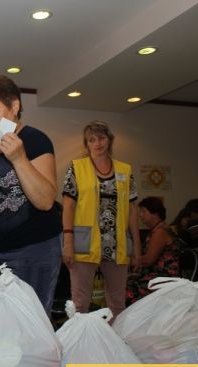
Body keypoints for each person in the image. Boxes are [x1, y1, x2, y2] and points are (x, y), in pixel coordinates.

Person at [0, 74, 62, 314]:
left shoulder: (35, 140)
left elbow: (46, 200)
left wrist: (19, 159)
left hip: (33, 250)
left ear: (14, 106)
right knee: (1, 324)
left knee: (30, 324)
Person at [62, 120, 141, 319]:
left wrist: (137, 246)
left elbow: (132, 210)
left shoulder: (125, 170)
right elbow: (68, 206)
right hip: (84, 243)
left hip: (117, 244)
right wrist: (68, 242)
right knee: (79, 303)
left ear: (109, 140)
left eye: (101, 138)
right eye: (92, 140)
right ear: (86, 144)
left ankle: (115, 337)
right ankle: (79, 338)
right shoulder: (76, 167)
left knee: (117, 303)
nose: (97, 143)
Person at [126, 197, 184, 304]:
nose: (140, 215)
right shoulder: (157, 229)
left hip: (163, 277)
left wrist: (127, 260)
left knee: (126, 288)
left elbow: (149, 259)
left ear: (155, 214)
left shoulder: (160, 232)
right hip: (156, 274)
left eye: (144, 211)